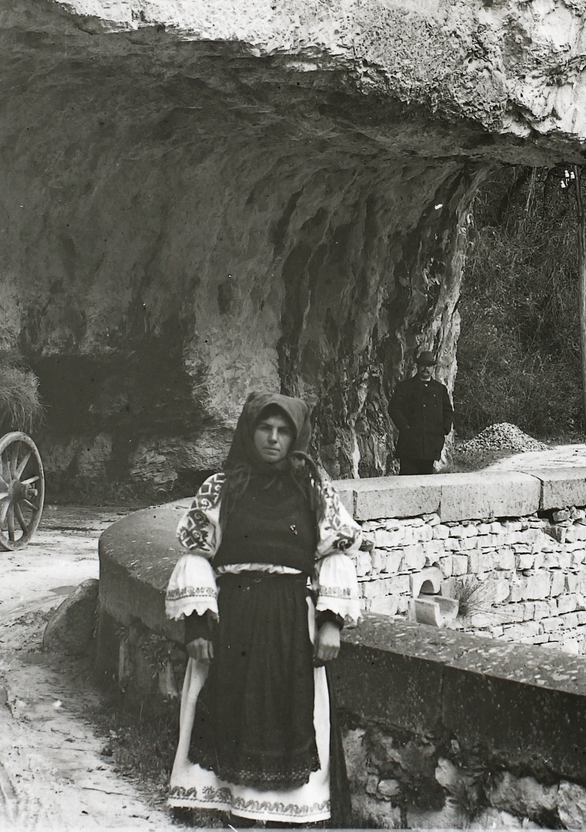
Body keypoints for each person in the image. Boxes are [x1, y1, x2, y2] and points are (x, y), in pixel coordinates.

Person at [164, 392, 361, 825]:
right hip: (233, 617)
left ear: (296, 436)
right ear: (249, 431)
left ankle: (284, 816)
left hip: (291, 620)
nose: (273, 438)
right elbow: (197, 557)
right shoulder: (221, 487)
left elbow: (335, 555)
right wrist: (197, 625)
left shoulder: (313, 489)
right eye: (264, 428)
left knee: (290, 715)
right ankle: (235, 815)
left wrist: (330, 624)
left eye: (283, 430)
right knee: (228, 714)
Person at [389, 350, 454, 475]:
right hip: (410, 444)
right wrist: (405, 427)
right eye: (423, 365)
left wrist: (444, 429)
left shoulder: (440, 389)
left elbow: (447, 411)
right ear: (418, 366)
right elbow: (394, 408)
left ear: (433, 367)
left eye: (429, 365)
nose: (426, 368)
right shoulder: (405, 387)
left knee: (426, 482)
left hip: (431, 444)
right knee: (407, 481)